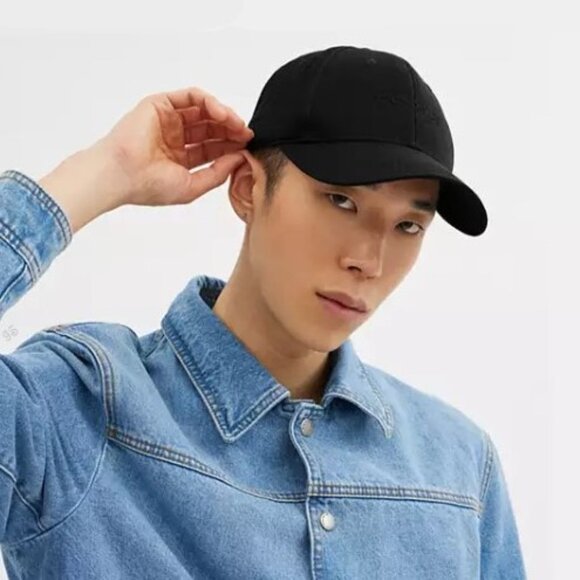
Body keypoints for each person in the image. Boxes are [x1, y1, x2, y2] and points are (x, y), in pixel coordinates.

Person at [0, 46, 526, 578]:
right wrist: (103, 172)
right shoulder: (78, 408)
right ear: (249, 187)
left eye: (408, 226)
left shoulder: (459, 468)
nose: (368, 261)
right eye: (341, 201)